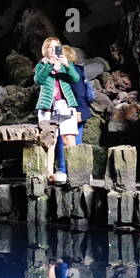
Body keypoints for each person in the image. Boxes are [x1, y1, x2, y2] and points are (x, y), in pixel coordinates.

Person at [33, 37, 80, 184]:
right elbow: (38, 80)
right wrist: (49, 65)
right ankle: (48, 175)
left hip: (66, 107)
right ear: (45, 50)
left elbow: (75, 78)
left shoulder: (66, 64)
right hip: (48, 109)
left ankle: (75, 173)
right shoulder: (41, 65)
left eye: (56, 47)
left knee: (69, 140)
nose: (53, 50)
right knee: (48, 142)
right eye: (50, 48)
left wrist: (67, 65)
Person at [53, 46, 96, 177]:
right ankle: (78, 171)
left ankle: (65, 170)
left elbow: (80, 93)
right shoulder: (79, 69)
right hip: (79, 110)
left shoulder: (70, 72)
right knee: (74, 141)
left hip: (73, 111)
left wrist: (77, 111)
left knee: (65, 140)